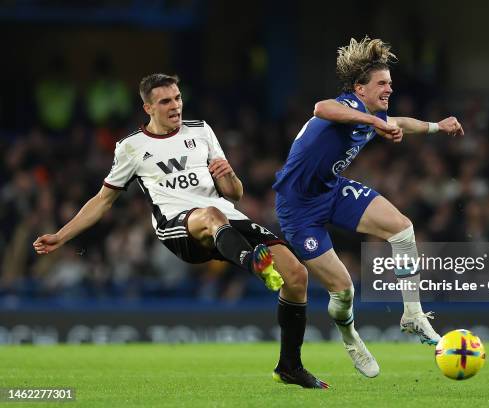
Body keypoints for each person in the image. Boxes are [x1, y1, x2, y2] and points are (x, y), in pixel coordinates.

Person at [33, 73, 328, 389]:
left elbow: (235, 193)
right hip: (177, 226)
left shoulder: (201, 131)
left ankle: (290, 366)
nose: (175, 106)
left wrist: (229, 176)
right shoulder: (131, 147)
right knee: (211, 215)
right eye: (165, 101)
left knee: (297, 275)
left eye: (177, 98)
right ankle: (253, 262)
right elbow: (103, 201)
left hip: (225, 217)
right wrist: (61, 236)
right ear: (148, 108)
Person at [273, 37, 463, 378]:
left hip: (331, 190)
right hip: (298, 208)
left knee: (402, 228)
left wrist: (437, 126)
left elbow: (399, 122)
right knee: (344, 290)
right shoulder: (347, 107)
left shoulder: (371, 114)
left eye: (390, 83)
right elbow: (321, 107)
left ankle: (412, 314)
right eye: (382, 83)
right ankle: (350, 338)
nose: (389, 89)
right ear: (360, 88)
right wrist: (377, 123)